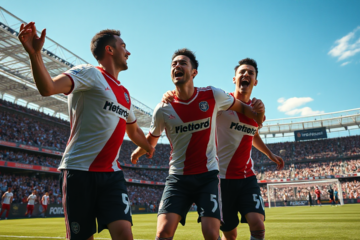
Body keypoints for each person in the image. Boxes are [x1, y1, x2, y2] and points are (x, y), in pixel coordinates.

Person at [18, 22, 154, 240]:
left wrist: (149, 148)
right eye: (123, 46)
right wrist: (35, 55)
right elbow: (48, 88)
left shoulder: (126, 94)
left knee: (125, 234)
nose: (128, 52)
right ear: (109, 50)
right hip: (80, 171)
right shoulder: (89, 73)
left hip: (112, 175)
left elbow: (134, 131)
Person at [132, 48, 264, 240]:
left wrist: (258, 112)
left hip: (208, 177)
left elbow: (241, 107)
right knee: (162, 233)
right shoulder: (163, 109)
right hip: (178, 178)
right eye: (174, 64)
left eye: (183, 63)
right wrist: (138, 151)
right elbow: (151, 139)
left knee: (211, 233)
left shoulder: (212, 96)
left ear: (194, 72)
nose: (177, 65)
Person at [161, 58, 284, 240]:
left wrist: (270, 154)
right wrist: (173, 95)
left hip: (246, 177)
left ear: (255, 81)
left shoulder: (257, 110)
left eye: (251, 73)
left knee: (258, 224)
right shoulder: (220, 103)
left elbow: (252, 134)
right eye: (242, 72)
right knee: (230, 234)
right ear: (234, 79)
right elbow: (194, 103)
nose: (246, 75)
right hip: (221, 179)